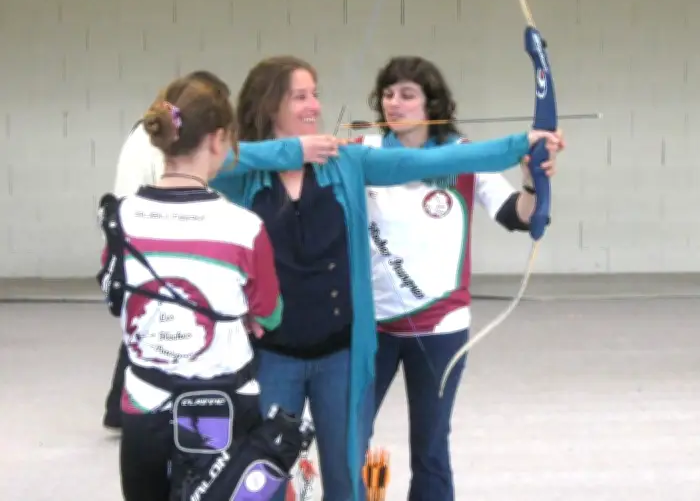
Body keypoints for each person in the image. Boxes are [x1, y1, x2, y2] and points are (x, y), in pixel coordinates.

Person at [208, 55, 563, 501]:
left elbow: (449, 158)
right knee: (265, 471)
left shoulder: (346, 161)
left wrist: (523, 145)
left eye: (315, 94)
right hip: (276, 352)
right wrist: (293, 151)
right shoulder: (249, 173)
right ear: (269, 103)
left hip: (345, 351)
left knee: (349, 473)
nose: (315, 105)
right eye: (301, 96)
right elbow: (214, 159)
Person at [358, 55, 564, 501]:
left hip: (439, 328)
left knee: (430, 447)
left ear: (431, 103)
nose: (394, 103)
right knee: (348, 439)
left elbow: (517, 215)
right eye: (388, 94)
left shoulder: (465, 155)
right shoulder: (365, 150)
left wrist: (532, 182)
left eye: (407, 94)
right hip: (371, 326)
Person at [97, 75, 312, 501]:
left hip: (143, 407)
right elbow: (269, 314)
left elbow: (115, 296)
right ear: (217, 140)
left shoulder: (121, 218)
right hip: (220, 408)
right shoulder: (244, 227)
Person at [102, 70, 231, 431]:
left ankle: (120, 409)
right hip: (150, 237)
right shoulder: (169, 144)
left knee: (144, 323)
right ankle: (145, 411)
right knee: (163, 327)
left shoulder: (148, 131)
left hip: (132, 235)